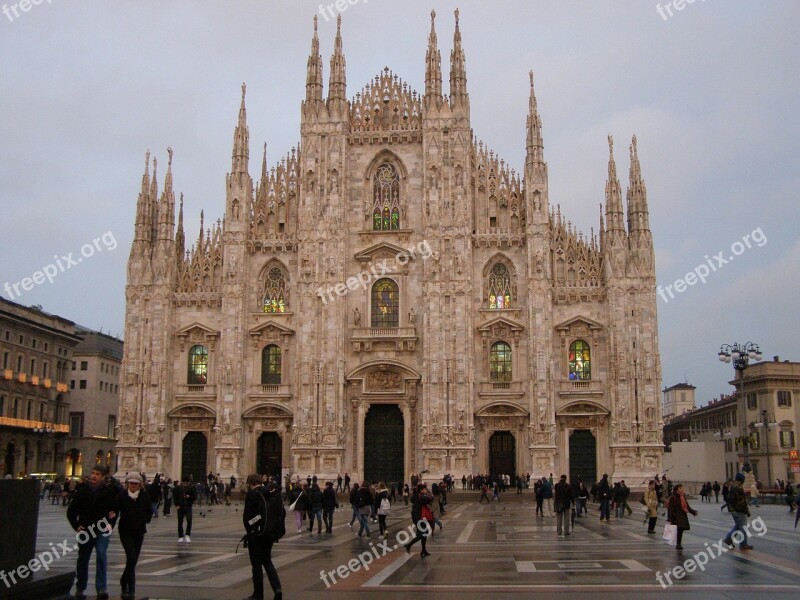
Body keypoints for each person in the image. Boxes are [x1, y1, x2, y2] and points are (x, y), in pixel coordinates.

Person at [66, 466, 118, 600]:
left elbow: (114, 511)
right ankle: (80, 587)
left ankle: (101, 588)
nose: (94, 476)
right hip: (86, 531)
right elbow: (71, 511)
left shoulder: (108, 492)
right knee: (83, 559)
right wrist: (77, 526)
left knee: (101, 555)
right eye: (93, 473)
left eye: (97, 474)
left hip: (102, 531)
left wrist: (110, 525)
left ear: (103, 477)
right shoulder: (82, 492)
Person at [242, 474, 283, 600]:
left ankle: (258, 594)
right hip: (270, 533)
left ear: (250, 483)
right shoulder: (272, 493)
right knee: (267, 561)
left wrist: (250, 530)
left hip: (256, 534)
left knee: (256, 565)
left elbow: (247, 517)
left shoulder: (252, 495)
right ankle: (277, 589)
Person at [114, 473, 151, 599]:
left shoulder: (144, 496)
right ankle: (131, 587)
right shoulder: (121, 496)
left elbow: (149, 510)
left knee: (133, 560)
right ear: (127, 484)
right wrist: (108, 525)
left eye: (135, 483)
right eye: (131, 483)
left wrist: (146, 519)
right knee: (131, 557)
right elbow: (115, 511)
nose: (133, 485)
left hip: (139, 531)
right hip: (125, 531)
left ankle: (124, 580)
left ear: (139, 485)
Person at [723, 472, 754, 550]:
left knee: (738, 526)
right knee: (743, 528)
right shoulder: (738, 487)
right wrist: (747, 511)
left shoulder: (733, 486)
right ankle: (743, 544)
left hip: (734, 509)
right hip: (739, 510)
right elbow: (742, 501)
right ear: (741, 480)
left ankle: (728, 539)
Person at [403, 483, 432, 557]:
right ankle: (409, 545)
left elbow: (412, 500)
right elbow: (430, 498)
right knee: (423, 533)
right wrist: (429, 494)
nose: (426, 490)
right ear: (421, 490)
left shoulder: (416, 495)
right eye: (425, 489)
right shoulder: (422, 496)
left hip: (417, 517)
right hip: (419, 517)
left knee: (424, 533)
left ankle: (423, 551)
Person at [667, 483, 697, 550]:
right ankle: (677, 543)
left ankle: (679, 543)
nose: (682, 489)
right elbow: (670, 509)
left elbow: (687, 507)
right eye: (680, 488)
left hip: (682, 516)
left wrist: (693, 512)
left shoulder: (683, 497)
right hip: (676, 516)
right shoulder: (673, 498)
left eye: (682, 488)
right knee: (678, 530)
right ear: (676, 490)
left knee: (680, 530)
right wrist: (670, 518)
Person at [174, 477, 196, 542]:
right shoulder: (178, 488)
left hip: (188, 506)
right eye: (184, 483)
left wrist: (189, 497)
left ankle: (187, 535)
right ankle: (180, 536)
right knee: (180, 522)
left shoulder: (191, 488)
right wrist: (177, 505)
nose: (185, 484)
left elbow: (194, 497)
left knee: (189, 521)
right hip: (180, 507)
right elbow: (175, 497)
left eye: (186, 483)